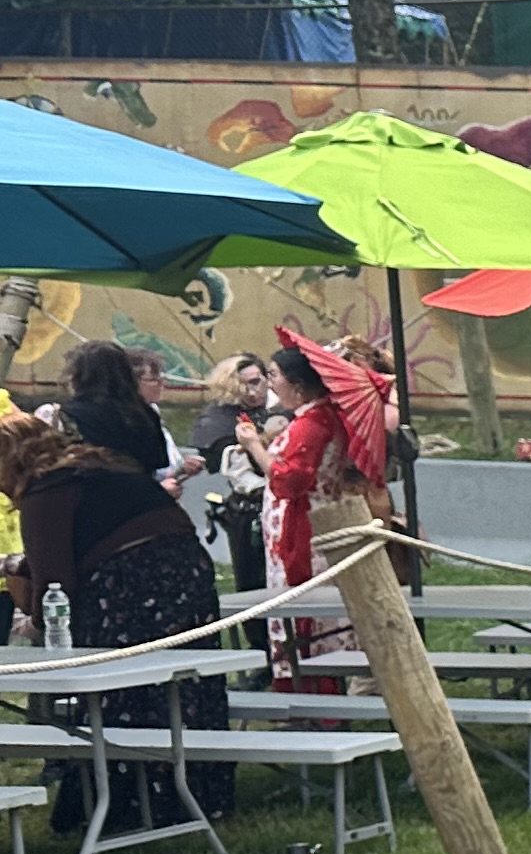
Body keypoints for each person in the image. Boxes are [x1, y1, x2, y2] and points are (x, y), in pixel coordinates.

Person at [0, 408, 236, 823]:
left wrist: (35, 621)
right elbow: (90, 540)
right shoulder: (92, 466)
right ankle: (197, 789)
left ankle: (133, 801)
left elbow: (57, 579)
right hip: (185, 572)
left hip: (131, 586)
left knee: (124, 689)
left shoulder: (45, 491)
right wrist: (18, 565)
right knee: (183, 686)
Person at [263, 333, 391, 593]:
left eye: (274, 375)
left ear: (296, 385)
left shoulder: (311, 424)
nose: (270, 383)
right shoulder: (324, 416)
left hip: (302, 522)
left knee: (304, 595)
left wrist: (254, 445)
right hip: (319, 515)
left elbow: (290, 481)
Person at [191, 355, 276, 593]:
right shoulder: (218, 421)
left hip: (289, 502)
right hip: (249, 509)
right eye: (243, 385)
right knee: (253, 585)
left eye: (256, 382)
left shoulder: (281, 406)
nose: (251, 392)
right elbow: (240, 473)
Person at [50, 339, 172, 485]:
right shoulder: (145, 413)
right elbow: (158, 460)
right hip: (140, 495)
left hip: (89, 495)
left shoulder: (68, 415)